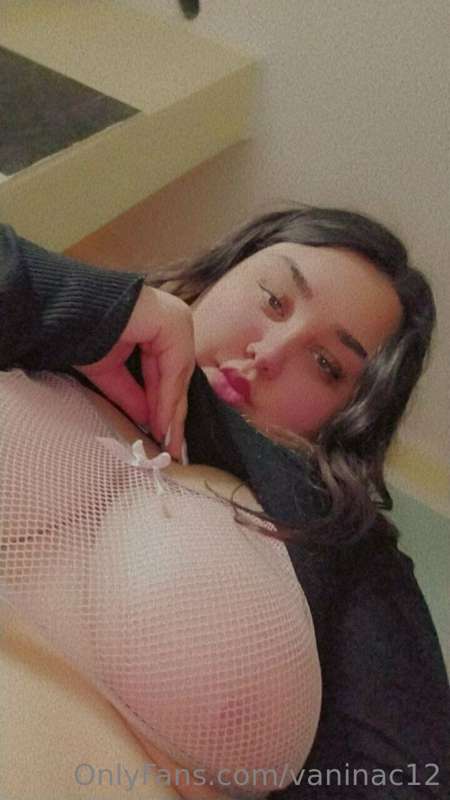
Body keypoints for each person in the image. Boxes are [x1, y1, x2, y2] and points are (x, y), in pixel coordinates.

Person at [0, 206, 449, 799]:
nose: (269, 352)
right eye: (274, 300)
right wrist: (97, 303)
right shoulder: (56, 322)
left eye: (326, 365)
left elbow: (410, 782)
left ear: (352, 416)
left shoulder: (343, 538)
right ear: (223, 271)